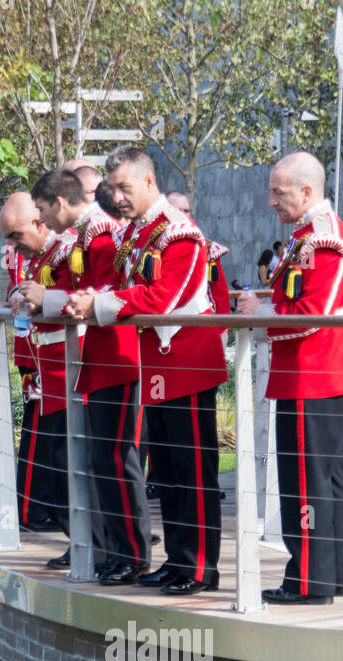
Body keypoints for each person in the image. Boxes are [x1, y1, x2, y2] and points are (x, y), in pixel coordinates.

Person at [67, 146, 227, 597]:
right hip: (159, 361)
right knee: (169, 472)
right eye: (112, 188)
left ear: (149, 182)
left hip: (189, 361)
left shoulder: (179, 233)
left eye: (124, 187)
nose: (116, 197)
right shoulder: (141, 233)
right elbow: (129, 287)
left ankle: (199, 567)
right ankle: (178, 559)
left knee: (193, 470)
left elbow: (160, 299)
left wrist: (98, 304)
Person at [238, 152, 343, 605]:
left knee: (306, 482)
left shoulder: (323, 239)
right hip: (307, 374)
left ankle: (308, 580)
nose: (271, 201)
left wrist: (259, 313)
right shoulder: (307, 235)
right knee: (322, 479)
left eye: (278, 192)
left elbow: (314, 315)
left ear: (307, 192)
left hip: (314, 373)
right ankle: (329, 577)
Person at [25, 168, 150, 585]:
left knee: (116, 460)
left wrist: (50, 299)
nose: (43, 220)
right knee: (104, 461)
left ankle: (130, 553)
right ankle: (117, 551)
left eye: (42, 210)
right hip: (101, 357)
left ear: (59, 202)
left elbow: (100, 295)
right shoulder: (85, 234)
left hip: (117, 355)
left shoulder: (99, 234)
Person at [0, 191, 66, 535]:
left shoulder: (60, 246)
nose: (11, 243)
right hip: (37, 352)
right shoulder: (30, 250)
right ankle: (32, 508)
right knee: (38, 432)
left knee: (52, 437)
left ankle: (46, 508)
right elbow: (18, 284)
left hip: (56, 353)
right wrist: (16, 296)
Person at [166, 191, 231, 315]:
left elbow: (220, 298)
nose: (184, 215)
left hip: (198, 325)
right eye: (178, 211)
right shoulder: (152, 252)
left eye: (186, 211)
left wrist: (221, 331)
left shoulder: (209, 250)